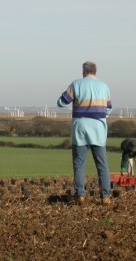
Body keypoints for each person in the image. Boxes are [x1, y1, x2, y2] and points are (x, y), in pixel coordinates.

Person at [57, 61, 113, 205]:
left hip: (80, 128)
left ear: (83, 71)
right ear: (95, 71)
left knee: (79, 164)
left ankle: (80, 194)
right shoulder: (104, 86)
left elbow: (61, 102)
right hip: (99, 130)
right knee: (102, 164)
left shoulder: (76, 84)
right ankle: (105, 196)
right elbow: (109, 108)